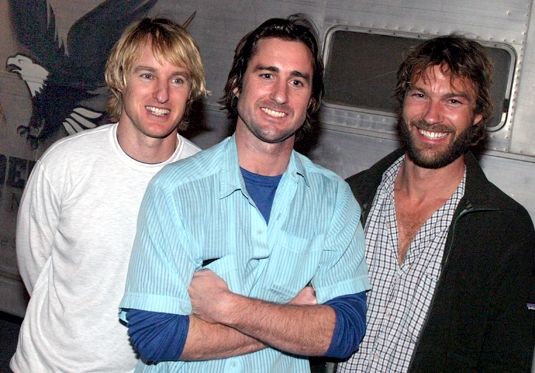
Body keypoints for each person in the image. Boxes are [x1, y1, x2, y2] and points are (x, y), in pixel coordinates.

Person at [119, 14, 370, 372]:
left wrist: (228, 308)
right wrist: (294, 317)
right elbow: (156, 334)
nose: (280, 95)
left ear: (311, 99)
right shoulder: (176, 189)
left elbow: (345, 331)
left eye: (297, 82)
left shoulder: (333, 200)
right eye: (266, 75)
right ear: (237, 84)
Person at [11, 17, 207, 372]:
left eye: (177, 79)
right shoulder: (65, 162)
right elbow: (36, 268)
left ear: (190, 90)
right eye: (147, 75)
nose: (162, 94)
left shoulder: (204, 179)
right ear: (120, 78)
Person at [338, 35, 535, 372]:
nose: (432, 115)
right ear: (402, 102)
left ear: (477, 115)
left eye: (453, 101)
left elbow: (506, 360)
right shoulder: (350, 199)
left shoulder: (504, 228)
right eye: (420, 95)